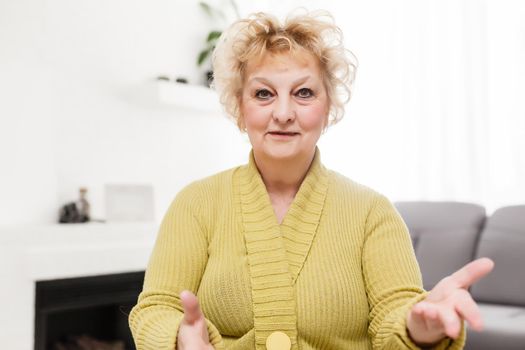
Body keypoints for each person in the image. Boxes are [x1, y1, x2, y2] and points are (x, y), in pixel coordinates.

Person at [129, 10, 494, 350]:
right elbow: (156, 308)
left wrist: (419, 328)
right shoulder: (195, 203)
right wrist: (179, 337)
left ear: (329, 106)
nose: (284, 113)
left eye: (303, 93)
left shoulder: (372, 212)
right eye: (263, 94)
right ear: (240, 108)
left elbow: (395, 313)